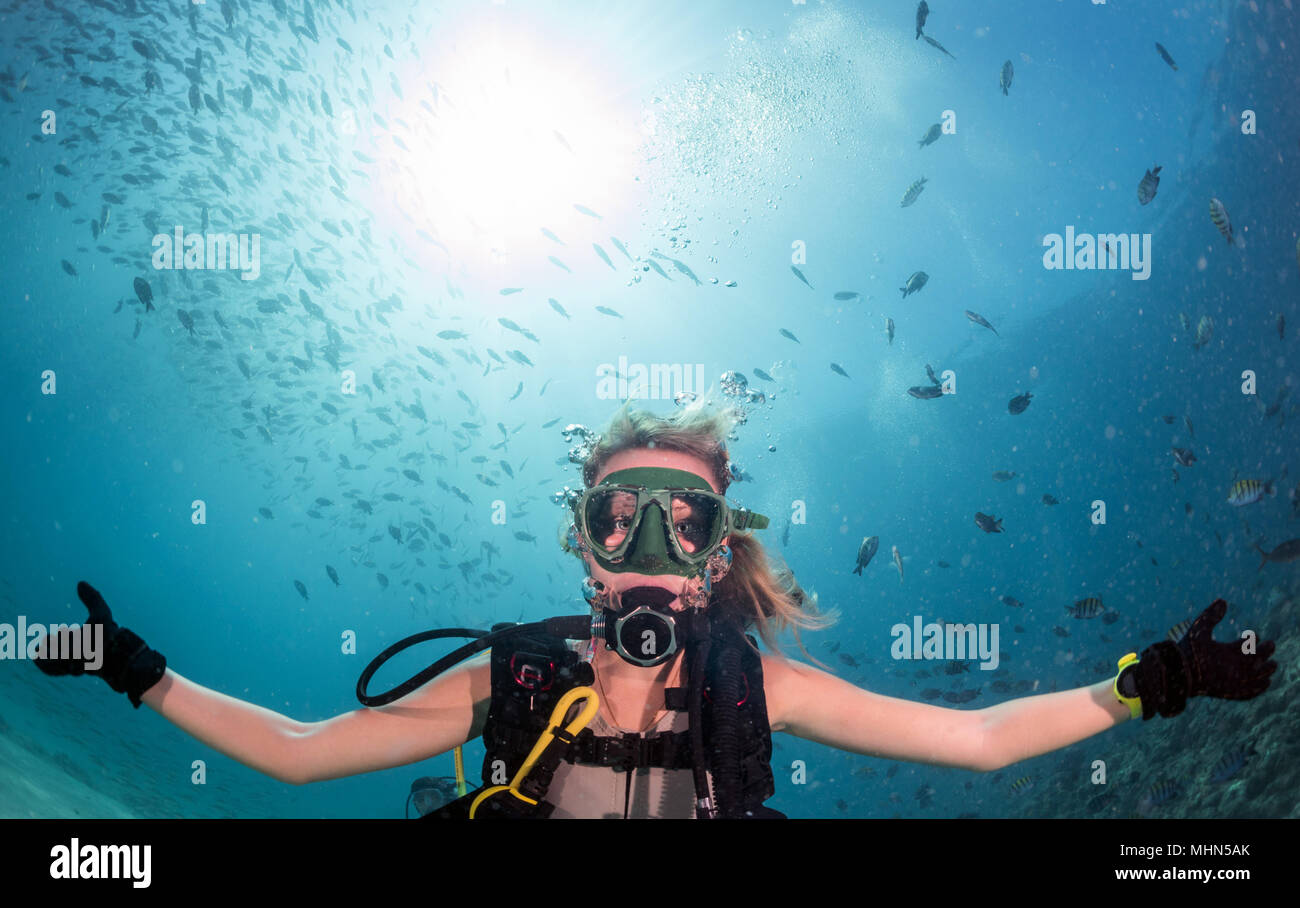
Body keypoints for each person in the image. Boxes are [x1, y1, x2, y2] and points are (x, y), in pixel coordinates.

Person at [32, 403, 1278, 818]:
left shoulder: (758, 686)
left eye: (683, 525)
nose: (644, 550)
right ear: (581, 547)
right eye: (613, 519)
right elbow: (301, 754)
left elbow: (982, 736)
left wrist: (1143, 682)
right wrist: (141, 670)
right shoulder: (506, 679)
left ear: (715, 557)